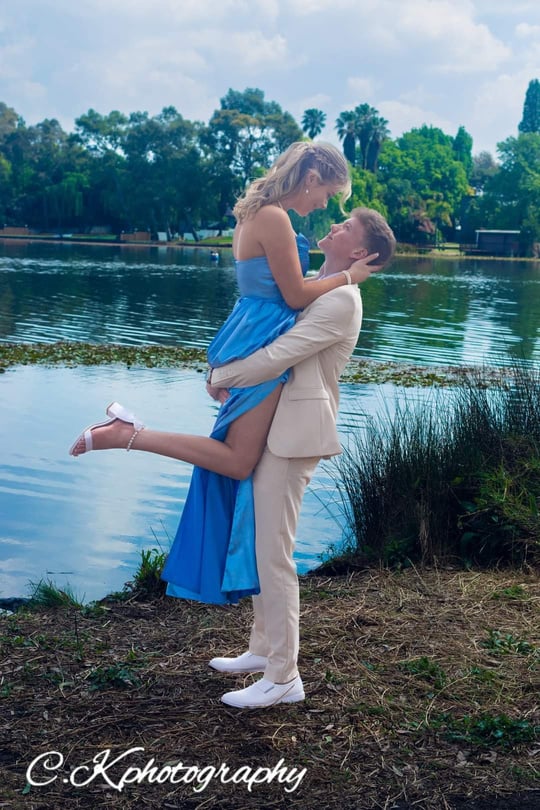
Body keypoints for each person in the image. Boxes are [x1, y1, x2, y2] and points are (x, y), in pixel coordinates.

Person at [69, 142, 378, 606]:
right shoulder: (275, 217)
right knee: (236, 461)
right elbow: (294, 296)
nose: (325, 205)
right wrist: (351, 277)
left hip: (252, 330)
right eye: (328, 193)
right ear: (311, 176)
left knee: (235, 461)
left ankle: (130, 434)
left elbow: (287, 292)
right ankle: (128, 433)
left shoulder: (261, 211)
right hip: (261, 336)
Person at [206, 207, 396, 708]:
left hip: (295, 438)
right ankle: (262, 648)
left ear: (360, 253)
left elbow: (278, 355)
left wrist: (222, 377)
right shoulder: (315, 283)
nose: (335, 226)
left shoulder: (341, 301)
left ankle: (285, 677)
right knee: (260, 537)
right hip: (275, 427)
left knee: (275, 553)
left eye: (347, 227)